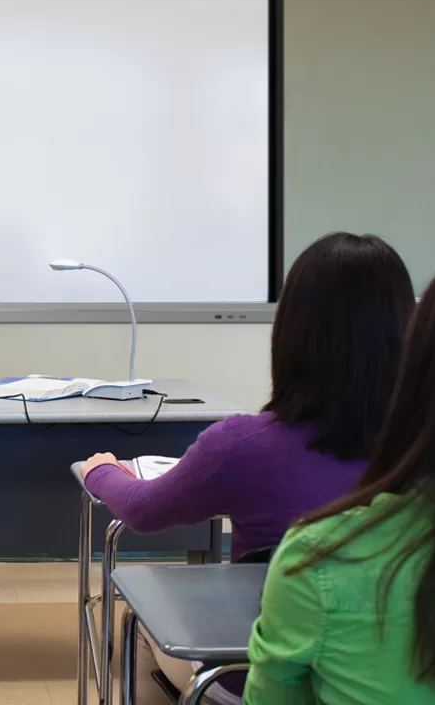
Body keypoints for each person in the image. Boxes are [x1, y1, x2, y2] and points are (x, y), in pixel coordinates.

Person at [79, 232, 416, 704]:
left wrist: (102, 471)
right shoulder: (419, 454)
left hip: (252, 674)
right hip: (403, 676)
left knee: (137, 627)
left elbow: (143, 512)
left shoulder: (243, 446)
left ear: (291, 332)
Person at [245, 271, 435, 704]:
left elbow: (145, 511)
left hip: (261, 646)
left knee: (142, 640)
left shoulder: (320, 556)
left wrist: (100, 472)